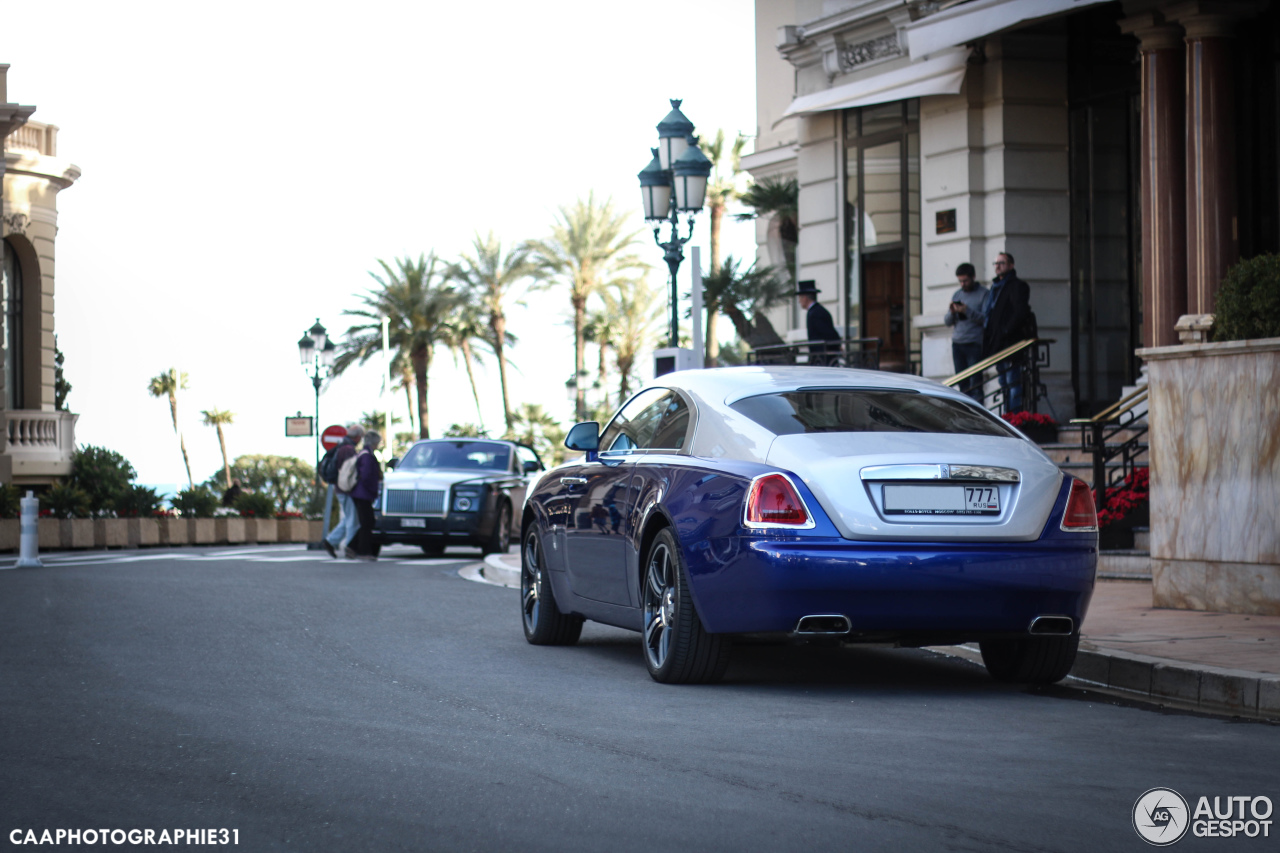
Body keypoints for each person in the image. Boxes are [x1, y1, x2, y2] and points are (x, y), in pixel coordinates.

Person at [981, 252, 1032, 412]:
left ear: (1011, 265)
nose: (997, 266)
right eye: (995, 263)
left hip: (1011, 343)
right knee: (1003, 382)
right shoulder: (995, 287)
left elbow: (1019, 312)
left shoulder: (1017, 286)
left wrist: (1006, 330)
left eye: (1001, 263)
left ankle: (1014, 417)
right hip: (998, 343)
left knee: (1013, 382)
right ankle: (1008, 415)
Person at [943, 262, 989, 401]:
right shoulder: (957, 294)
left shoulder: (984, 294)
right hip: (958, 343)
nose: (962, 284)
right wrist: (952, 313)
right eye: (960, 281)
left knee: (975, 383)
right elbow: (947, 322)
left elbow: (986, 319)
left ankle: (978, 415)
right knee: (962, 383)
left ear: (973, 277)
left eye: (965, 280)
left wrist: (967, 311)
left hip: (974, 343)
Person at [322, 423, 365, 558]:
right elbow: (349, 471)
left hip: (340, 487)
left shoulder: (342, 446)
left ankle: (331, 540)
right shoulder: (348, 449)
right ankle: (350, 548)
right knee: (353, 520)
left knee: (348, 518)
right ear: (358, 437)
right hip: (346, 488)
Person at [347, 430, 384, 561]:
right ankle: (363, 551)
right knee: (367, 523)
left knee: (367, 522)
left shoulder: (363, 453)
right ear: (374, 442)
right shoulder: (367, 456)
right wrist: (372, 489)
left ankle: (353, 547)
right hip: (363, 493)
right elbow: (367, 475)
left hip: (360, 493)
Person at [797, 280, 840, 365]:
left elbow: (828, 334)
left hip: (822, 359)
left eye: (800, 298)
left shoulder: (815, 313)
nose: (799, 301)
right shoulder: (816, 311)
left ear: (805, 298)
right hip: (820, 358)